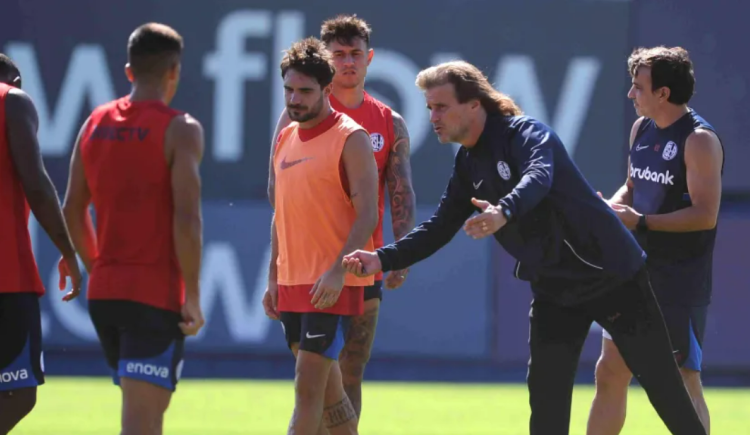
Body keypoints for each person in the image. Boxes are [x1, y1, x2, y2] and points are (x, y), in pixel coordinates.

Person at [342, 60, 708, 435]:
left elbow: (539, 176)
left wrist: (504, 210)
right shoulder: (469, 163)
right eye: (429, 108)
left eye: (441, 107)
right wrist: (380, 258)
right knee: (546, 408)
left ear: (474, 105)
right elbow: (438, 227)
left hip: (612, 277)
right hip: (555, 288)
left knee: (667, 394)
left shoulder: (526, 133)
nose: (433, 117)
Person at [268, 13, 416, 421]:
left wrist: (401, 252)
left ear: (369, 59)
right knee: (317, 379)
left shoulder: (388, 121)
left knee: (348, 372)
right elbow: (279, 194)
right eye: (339, 54)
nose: (348, 62)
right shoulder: (294, 119)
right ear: (327, 61)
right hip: (305, 264)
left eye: (355, 54)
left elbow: (400, 190)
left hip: (362, 263)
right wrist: (275, 269)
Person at [61, 23, 205, 435]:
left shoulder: (93, 122)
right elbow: (187, 219)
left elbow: (72, 208)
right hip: (154, 296)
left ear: (129, 70)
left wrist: (98, 267)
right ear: (174, 71)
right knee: (141, 425)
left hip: (105, 295)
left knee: (144, 418)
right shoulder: (181, 128)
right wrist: (192, 296)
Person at [587, 46, 723, 435]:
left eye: (638, 87)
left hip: (677, 282)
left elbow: (705, 214)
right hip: (631, 272)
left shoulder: (698, 140)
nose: (631, 95)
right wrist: (610, 209)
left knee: (683, 381)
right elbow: (634, 186)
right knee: (610, 370)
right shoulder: (642, 129)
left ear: (663, 93)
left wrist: (641, 222)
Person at [262, 37, 379, 435]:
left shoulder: (351, 137)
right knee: (330, 395)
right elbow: (282, 213)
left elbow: (367, 216)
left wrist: (335, 272)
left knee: (306, 388)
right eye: (289, 90)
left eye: (305, 91)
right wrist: (273, 277)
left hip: (330, 283)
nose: (294, 99)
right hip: (292, 281)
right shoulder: (285, 137)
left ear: (327, 90)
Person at [0, 54, 82, 435]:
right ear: (15, 79)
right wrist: (67, 250)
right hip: (6, 277)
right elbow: (35, 182)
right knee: (18, 391)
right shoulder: (12, 100)